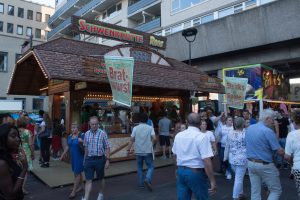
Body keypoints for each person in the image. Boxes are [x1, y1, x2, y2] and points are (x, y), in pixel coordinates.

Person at [172, 113, 217, 200]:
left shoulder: (178, 135)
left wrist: (177, 169)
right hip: (196, 172)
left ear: (186, 122)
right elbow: (207, 160)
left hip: (181, 170)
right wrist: (212, 180)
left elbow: (174, 154)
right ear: (200, 123)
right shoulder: (202, 137)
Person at [246, 109, 284, 200]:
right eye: (273, 119)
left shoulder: (250, 128)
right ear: (267, 118)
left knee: (255, 191)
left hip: (251, 163)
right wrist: (289, 156)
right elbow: (279, 150)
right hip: (264, 164)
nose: (274, 121)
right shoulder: (268, 131)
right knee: (276, 190)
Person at [82, 116, 110, 200]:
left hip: (100, 159)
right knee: (88, 180)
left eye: (96, 124)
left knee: (100, 179)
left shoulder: (102, 133)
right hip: (89, 159)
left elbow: (107, 147)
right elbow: (86, 148)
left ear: (98, 124)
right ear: (89, 124)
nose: (94, 126)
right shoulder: (86, 134)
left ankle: (101, 194)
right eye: (92, 124)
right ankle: (86, 198)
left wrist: (107, 160)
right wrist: (84, 159)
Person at [127, 113, 156, 191]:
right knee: (150, 166)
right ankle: (147, 178)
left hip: (138, 151)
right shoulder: (150, 128)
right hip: (148, 151)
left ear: (139, 120)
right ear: (147, 120)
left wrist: (128, 149)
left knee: (139, 168)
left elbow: (131, 140)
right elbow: (154, 138)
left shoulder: (135, 128)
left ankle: (141, 184)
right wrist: (151, 144)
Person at [0, 123, 28, 199]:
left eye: (18, 136)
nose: (18, 139)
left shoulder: (7, 156)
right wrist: (25, 168)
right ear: (3, 138)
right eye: (13, 136)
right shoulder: (2, 163)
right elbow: (10, 194)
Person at [224, 117, 247, 200]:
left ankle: (241, 194)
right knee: (239, 179)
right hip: (242, 159)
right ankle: (235, 197)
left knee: (238, 177)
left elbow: (227, 146)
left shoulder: (230, 133)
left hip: (232, 158)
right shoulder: (245, 133)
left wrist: (225, 157)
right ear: (242, 124)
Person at [60, 123, 84, 199]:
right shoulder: (70, 136)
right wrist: (63, 154)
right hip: (73, 158)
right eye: (72, 128)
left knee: (76, 173)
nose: (73, 129)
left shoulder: (81, 135)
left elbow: (86, 144)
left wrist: (81, 140)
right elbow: (67, 146)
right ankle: (81, 186)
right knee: (77, 172)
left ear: (78, 128)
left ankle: (73, 191)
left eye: (75, 128)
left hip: (80, 157)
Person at [17, 117, 34, 195]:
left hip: (16, 152)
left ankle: (17, 186)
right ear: (25, 123)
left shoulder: (16, 131)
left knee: (17, 170)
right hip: (26, 152)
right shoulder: (28, 132)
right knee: (25, 171)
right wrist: (32, 153)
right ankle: (22, 188)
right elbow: (31, 144)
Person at [285, 109, 300, 198]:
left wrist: (291, 163)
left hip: (298, 167)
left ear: (294, 121)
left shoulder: (291, 134)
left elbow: (287, 156)